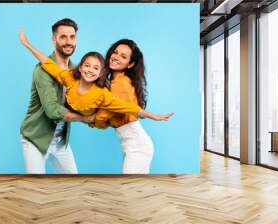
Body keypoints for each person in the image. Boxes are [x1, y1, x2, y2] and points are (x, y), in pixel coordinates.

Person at [19, 28, 173, 130]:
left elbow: (129, 107)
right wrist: (27, 44)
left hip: (108, 125)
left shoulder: (103, 94)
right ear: (79, 67)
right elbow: (48, 64)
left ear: (100, 73)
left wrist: (154, 116)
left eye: (95, 68)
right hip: (77, 117)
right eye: (86, 65)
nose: (90, 70)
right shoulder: (69, 78)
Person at [20, 18, 93, 174]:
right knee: (36, 190)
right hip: (36, 138)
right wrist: (85, 119)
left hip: (60, 141)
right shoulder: (42, 70)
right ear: (54, 40)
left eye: (72, 37)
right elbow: (52, 111)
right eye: (63, 37)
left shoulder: (77, 71)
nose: (68, 42)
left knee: (74, 185)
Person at [93, 39, 174, 174]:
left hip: (137, 146)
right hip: (134, 144)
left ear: (130, 64)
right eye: (116, 52)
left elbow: (106, 114)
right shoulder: (122, 81)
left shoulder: (119, 84)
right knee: (137, 188)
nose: (116, 57)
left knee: (131, 188)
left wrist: (92, 120)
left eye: (123, 56)